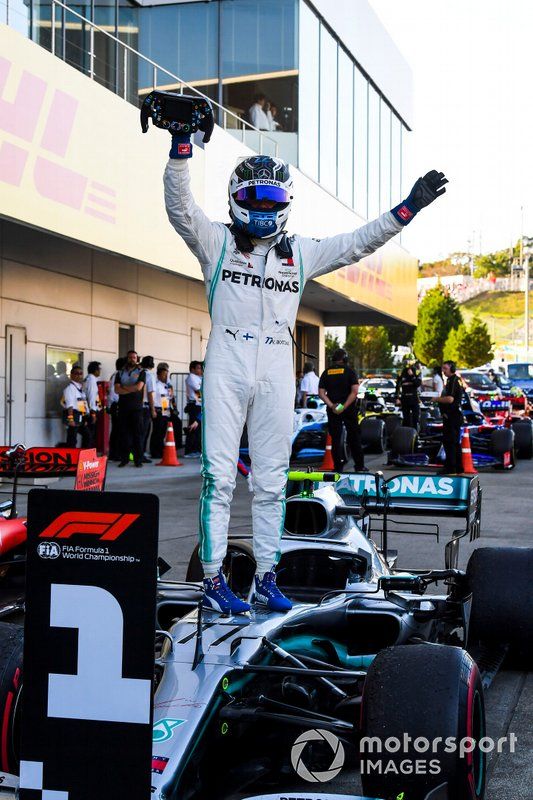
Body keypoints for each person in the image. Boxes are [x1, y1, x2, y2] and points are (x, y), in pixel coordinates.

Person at [164, 128, 447, 614]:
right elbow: (179, 206)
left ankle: (267, 577)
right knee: (219, 476)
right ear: (235, 199)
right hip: (227, 357)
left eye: (272, 197)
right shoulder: (214, 241)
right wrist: (180, 150)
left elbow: (358, 242)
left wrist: (408, 208)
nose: (264, 206)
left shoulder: (300, 251)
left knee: (273, 479)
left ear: (286, 202)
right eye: (254, 196)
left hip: (277, 362)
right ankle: (212, 578)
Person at [318, 350, 364, 473]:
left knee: (335, 438)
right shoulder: (350, 372)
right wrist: (343, 406)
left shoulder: (326, 372)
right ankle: (359, 466)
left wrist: (333, 406)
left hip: (333, 410)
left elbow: (321, 393)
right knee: (354, 436)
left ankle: (337, 467)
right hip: (348, 409)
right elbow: (354, 391)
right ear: (345, 359)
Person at [114, 350, 146, 468]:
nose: (132, 359)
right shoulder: (120, 373)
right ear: (127, 359)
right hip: (123, 408)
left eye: (134, 357)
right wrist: (130, 389)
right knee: (124, 435)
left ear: (137, 359)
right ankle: (124, 459)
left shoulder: (141, 372)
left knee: (137, 434)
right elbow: (117, 390)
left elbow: (138, 387)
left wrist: (124, 388)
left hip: (136, 408)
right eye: (130, 357)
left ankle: (138, 460)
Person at [436, 360, 464, 475]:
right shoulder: (453, 380)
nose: (443, 371)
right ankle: (458, 468)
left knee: (450, 443)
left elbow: (450, 399)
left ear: (452, 369)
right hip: (453, 416)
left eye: (445, 369)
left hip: (452, 417)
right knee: (454, 443)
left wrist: (436, 399)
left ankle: (451, 469)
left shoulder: (453, 381)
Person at [61, 365, 91, 448]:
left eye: (81, 374)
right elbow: (69, 405)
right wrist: (70, 419)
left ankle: (84, 455)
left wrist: (85, 417)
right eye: (76, 373)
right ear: (71, 375)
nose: (79, 375)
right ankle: (70, 456)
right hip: (73, 415)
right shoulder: (70, 388)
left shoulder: (80, 389)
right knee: (72, 439)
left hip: (80, 416)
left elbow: (82, 404)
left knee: (87, 436)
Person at [151, 362, 173, 459]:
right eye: (163, 374)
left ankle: (160, 450)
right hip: (158, 409)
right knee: (157, 432)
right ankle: (155, 452)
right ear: (158, 375)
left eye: (166, 374)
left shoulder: (166, 385)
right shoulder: (156, 384)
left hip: (165, 409)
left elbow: (168, 397)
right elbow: (153, 397)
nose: (165, 376)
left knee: (163, 432)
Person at [107, 356, 126, 460]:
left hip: (116, 404)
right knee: (117, 430)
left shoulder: (117, 375)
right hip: (117, 405)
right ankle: (114, 453)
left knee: (118, 430)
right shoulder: (117, 375)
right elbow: (114, 393)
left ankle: (116, 452)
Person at [184, 361, 202, 457]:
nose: (200, 370)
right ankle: (190, 451)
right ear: (192, 369)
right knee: (193, 427)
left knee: (198, 428)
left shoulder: (199, 377)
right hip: (194, 405)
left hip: (199, 405)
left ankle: (196, 449)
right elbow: (199, 390)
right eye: (198, 368)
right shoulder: (191, 377)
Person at [395, 362, 421, 428]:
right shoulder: (401, 372)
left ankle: (415, 433)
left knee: (415, 419)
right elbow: (397, 386)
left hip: (414, 398)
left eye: (409, 360)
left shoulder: (417, 371)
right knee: (406, 419)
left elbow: (418, 383)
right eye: (406, 360)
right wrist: (397, 398)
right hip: (404, 398)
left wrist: (412, 375)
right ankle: (406, 435)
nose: (407, 362)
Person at [140, 355, 156, 463]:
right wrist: (153, 409)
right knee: (144, 432)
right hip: (145, 407)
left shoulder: (139, 373)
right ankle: (141, 454)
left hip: (136, 406)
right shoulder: (150, 375)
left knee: (137, 431)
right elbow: (150, 393)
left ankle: (135, 453)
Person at [84, 361, 101, 448]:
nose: (100, 371)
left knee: (89, 434)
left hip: (88, 410)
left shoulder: (89, 378)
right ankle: (88, 455)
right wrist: (93, 413)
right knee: (90, 434)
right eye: (99, 369)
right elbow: (91, 396)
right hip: (91, 410)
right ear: (95, 370)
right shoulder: (91, 380)